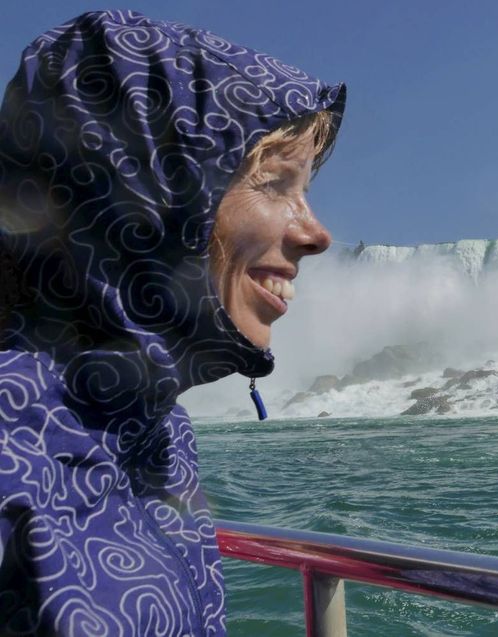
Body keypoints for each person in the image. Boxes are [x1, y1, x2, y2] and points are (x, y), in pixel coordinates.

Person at [0, 10, 343, 635]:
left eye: (308, 190)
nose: (316, 234)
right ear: (142, 189)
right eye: (273, 184)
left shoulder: (155, 427)